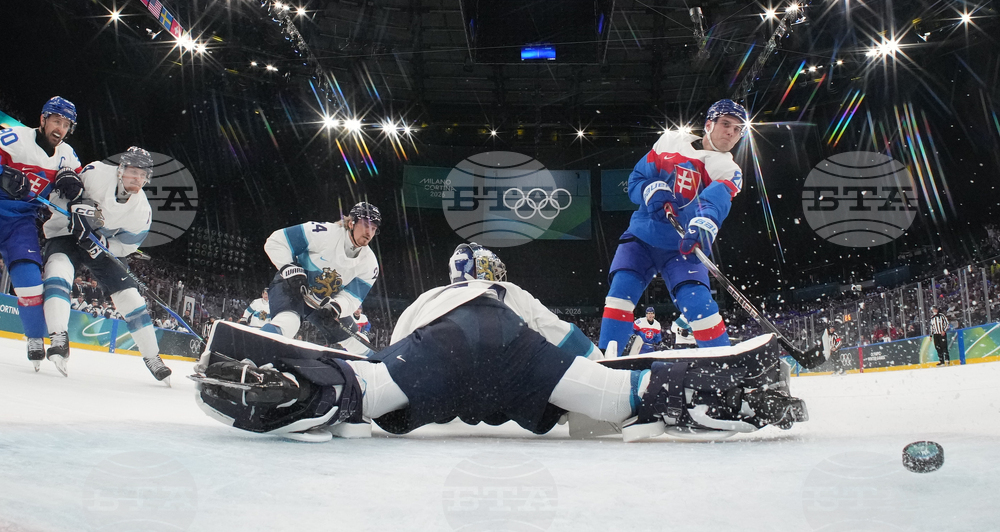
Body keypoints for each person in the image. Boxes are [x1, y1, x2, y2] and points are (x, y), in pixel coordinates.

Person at [192, 244, 807, 443]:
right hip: (516, 356)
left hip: (436, 356)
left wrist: (377, 384)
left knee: (363, 392)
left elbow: (398, 351)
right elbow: (579, 347)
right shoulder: (508, 293)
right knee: (622, 395)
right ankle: (724, 394)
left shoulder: (426, 298)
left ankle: (296, 390)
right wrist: (594, 397)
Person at [599, 99, 746, 355]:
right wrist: (651, 189)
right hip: (641, 238)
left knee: (700, 306)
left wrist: (703, 224)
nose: (731, 132)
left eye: (737, 128)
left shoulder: (729, 169)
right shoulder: (670, 142)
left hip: (682, 246)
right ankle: (604, 359)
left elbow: (715, 203)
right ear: (709, 124)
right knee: (619, 295)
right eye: (726, 124)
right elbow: (637, 179)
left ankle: (724, 364)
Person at [40, 147, 172, 382]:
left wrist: (105, 245)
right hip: (66, 233)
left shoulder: (142, 211)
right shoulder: (96, 172)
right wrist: (74, 208)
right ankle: (58, 337)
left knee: (131, 296)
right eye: (133, 172)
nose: (138, 179)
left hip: (100, 246)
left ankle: (153, 357)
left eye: (143, 175)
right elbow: (59, 193)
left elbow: (128, 246)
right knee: (58, 268)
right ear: (120, 169)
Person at [0, 96, 83, 369]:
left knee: (31, 283)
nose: (61, 128)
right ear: (42, 120)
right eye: (56, 121)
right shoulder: (12, 138)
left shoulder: (67, 155)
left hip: (20, 221)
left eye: (66, 124)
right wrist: (3, 174)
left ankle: (35, 337)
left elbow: (79, 187)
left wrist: (75, 189)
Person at [259, 202, 381, 355]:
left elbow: (352, 297)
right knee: (288, 322)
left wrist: (336, 307)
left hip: (323, 301)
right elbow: (276, 241)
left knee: (356, 340)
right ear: (351, 222)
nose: (369, 233)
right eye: (366, 226)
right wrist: (291, 270)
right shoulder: (323, 233)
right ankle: (253, 353)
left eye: (374, 229)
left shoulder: (370, 264)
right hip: (292, 286)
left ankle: (379, 370)